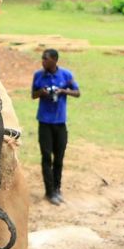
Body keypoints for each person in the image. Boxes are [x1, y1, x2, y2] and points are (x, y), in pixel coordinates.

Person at [31, 48, 81, 205]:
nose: (43, 61)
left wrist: (63, 91)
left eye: (45, 59)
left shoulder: (66, 75)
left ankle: (57, 188)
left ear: (54, 60)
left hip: (60, 123)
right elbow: (33, 95)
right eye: (42, 58)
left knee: (59, 158)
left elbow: (78, 92)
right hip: (44, 122)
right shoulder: (38, 75)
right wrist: (42, 92)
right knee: (47, 157)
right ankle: (49, 192)